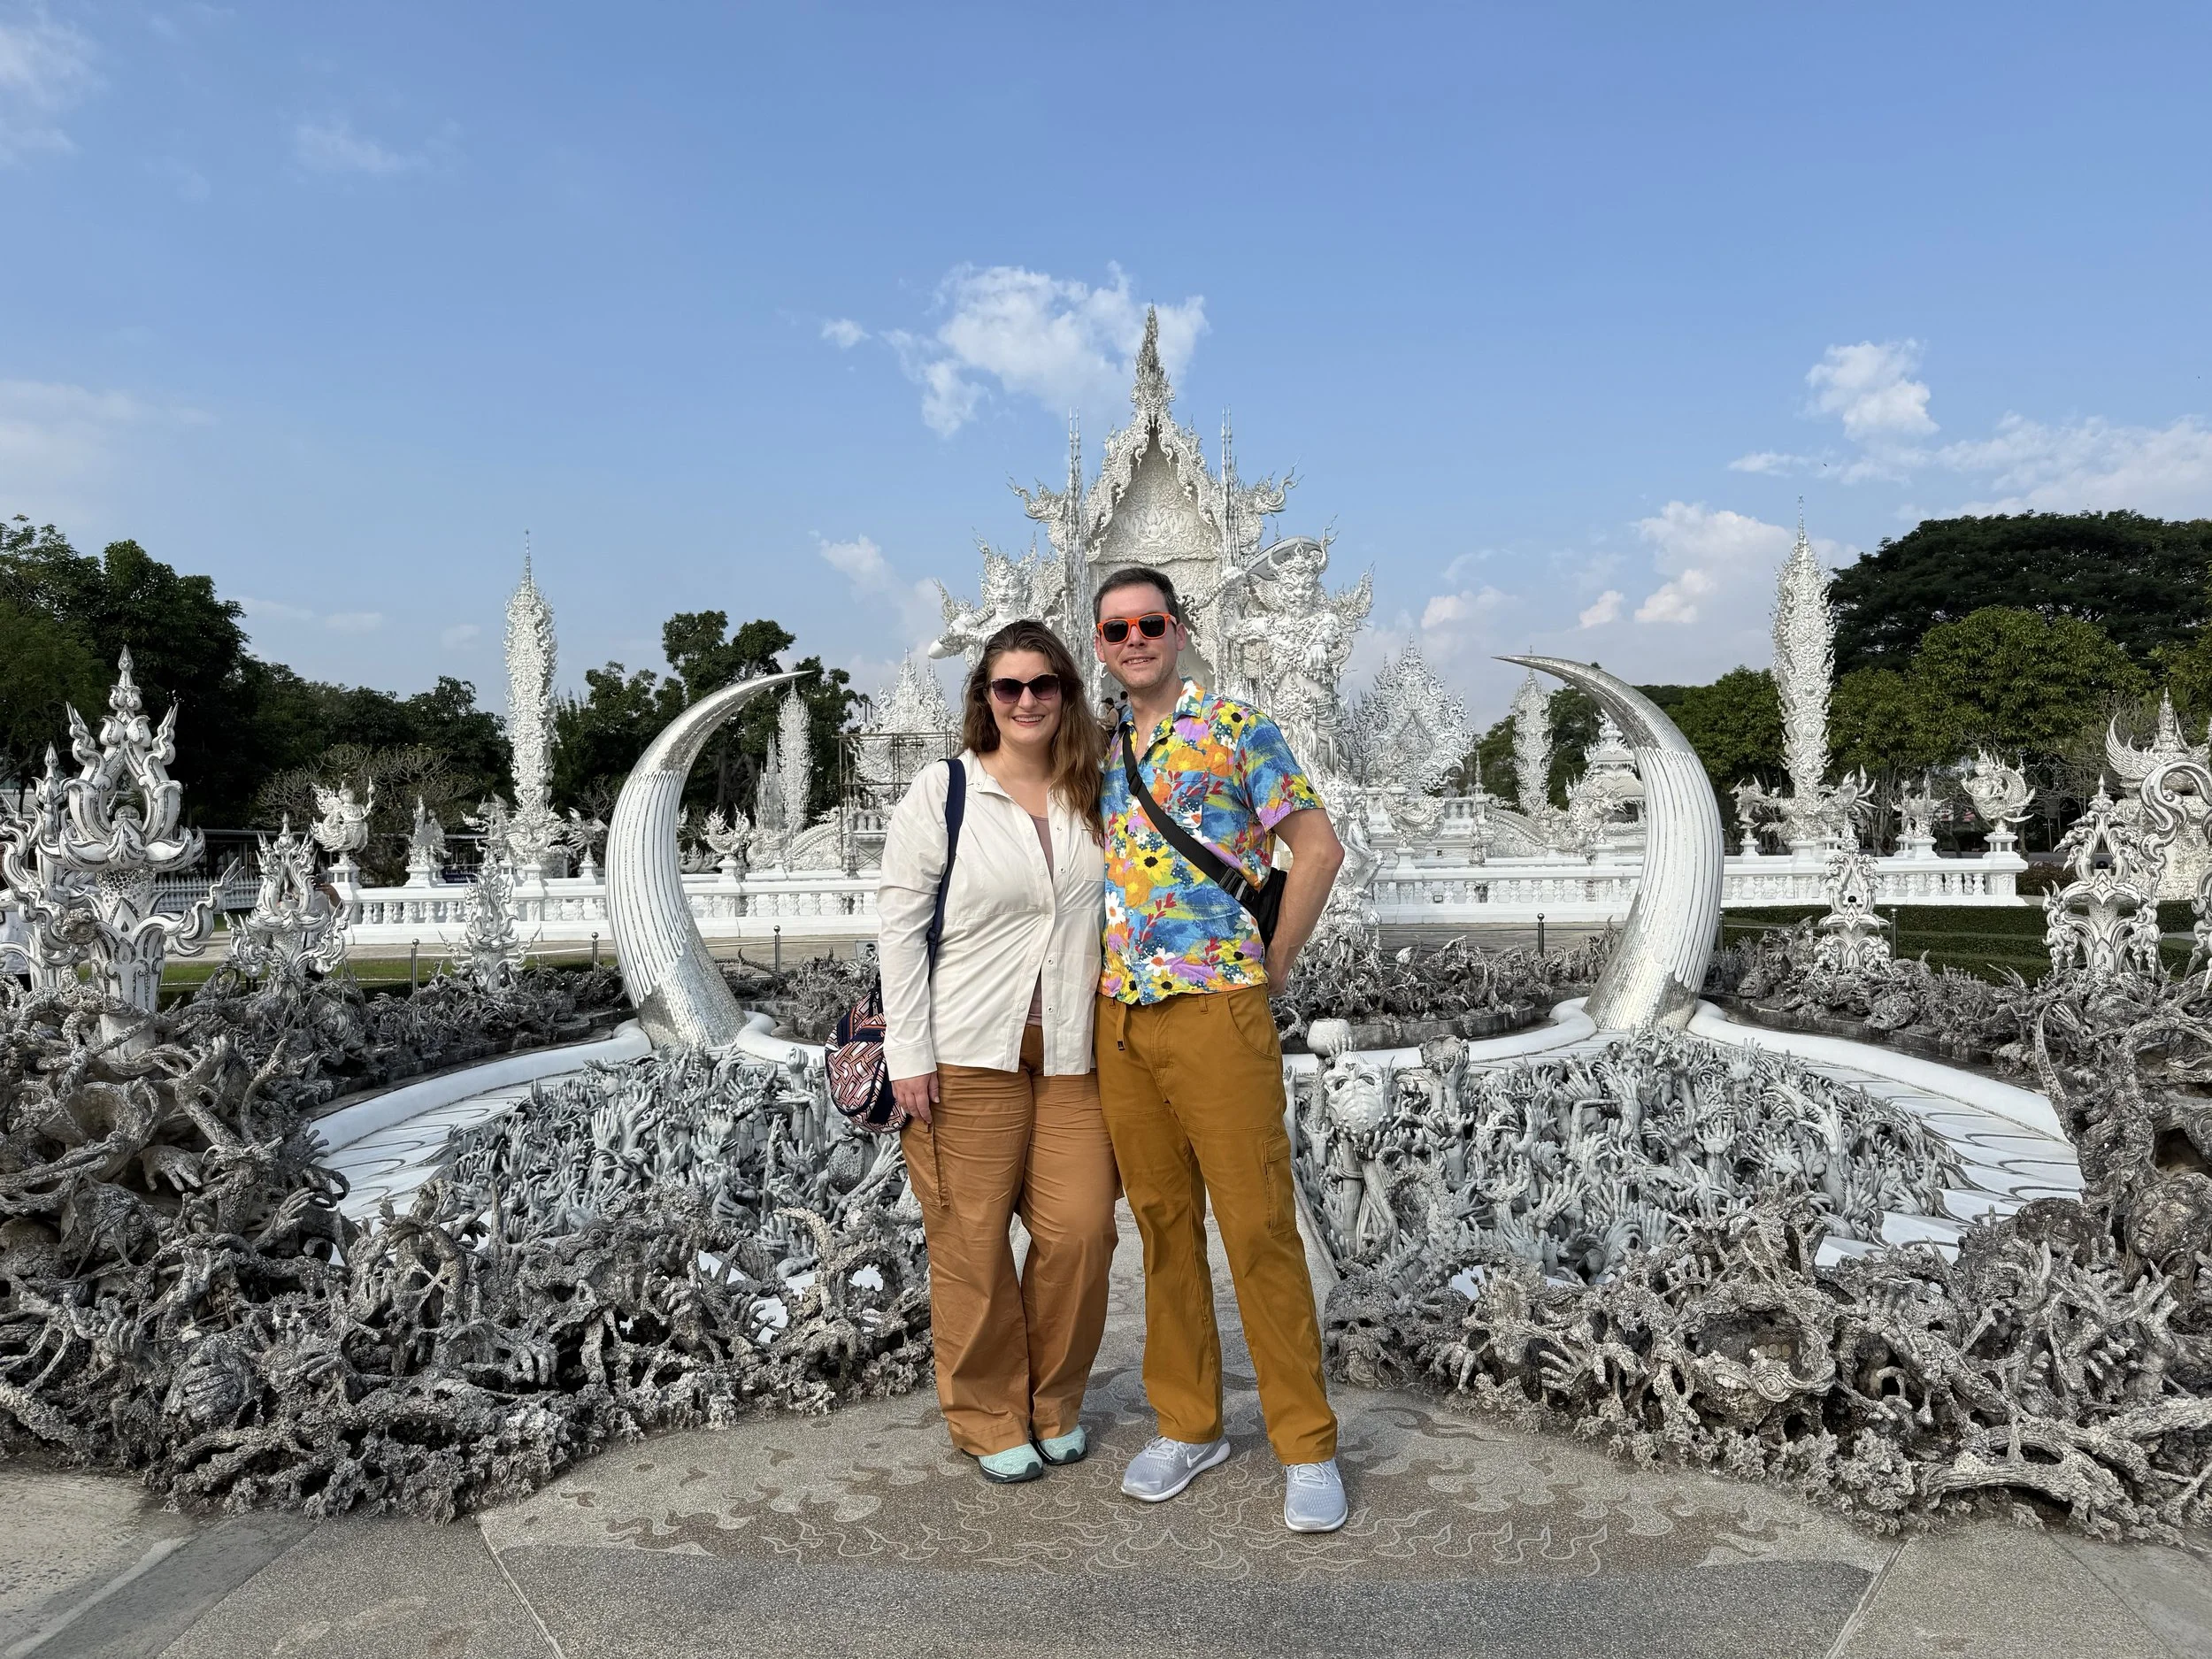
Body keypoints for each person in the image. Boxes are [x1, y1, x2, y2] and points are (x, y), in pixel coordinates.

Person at [1089, 564, 1352, 1534]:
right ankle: (1188, 1421)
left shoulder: (1238, 728)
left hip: (1215, 1008)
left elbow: (1316, 850)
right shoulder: (1098, 747)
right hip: (1120, 1014)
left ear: (1180, 628)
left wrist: (1272, 964)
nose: (1133, 641)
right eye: (1115, 630)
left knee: (1256, 1228)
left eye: (1148, 623)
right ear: (1102, 647)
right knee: (1161, 1225)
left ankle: (1305, 1442)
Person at [877, 618, 1119, 1485]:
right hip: (962, 1053)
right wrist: (908, 1051)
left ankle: (1052, 1402)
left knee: (1082, 1232)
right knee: (971, 1243)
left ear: (1067, 693)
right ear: (984, 698)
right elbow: (900, 930)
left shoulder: (1095, 795)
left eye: (1042, 685)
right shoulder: (944, 793)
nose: (1025, 701)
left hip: (1070, 1056)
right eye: (1007, 687)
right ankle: (987, 1413)